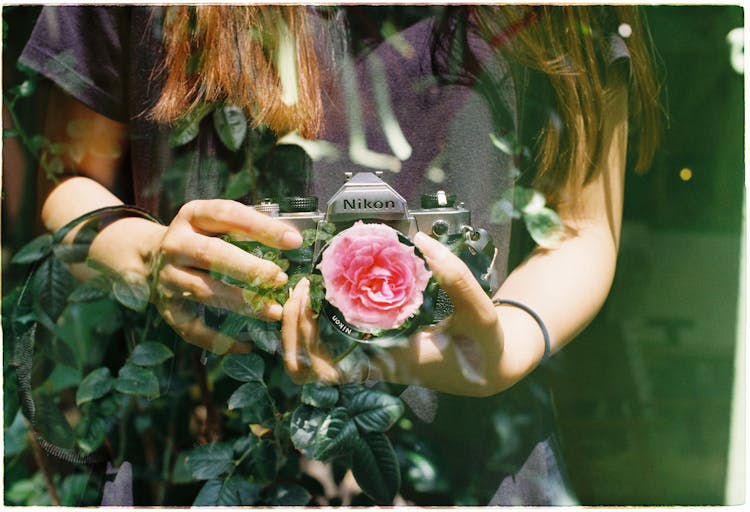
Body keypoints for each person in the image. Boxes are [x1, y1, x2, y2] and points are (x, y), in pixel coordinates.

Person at [19, 4, 660, 505]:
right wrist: (145, 253)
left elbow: (580, 226)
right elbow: (66, 177)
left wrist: (510, 342)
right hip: (194, 458)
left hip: (465, 467)